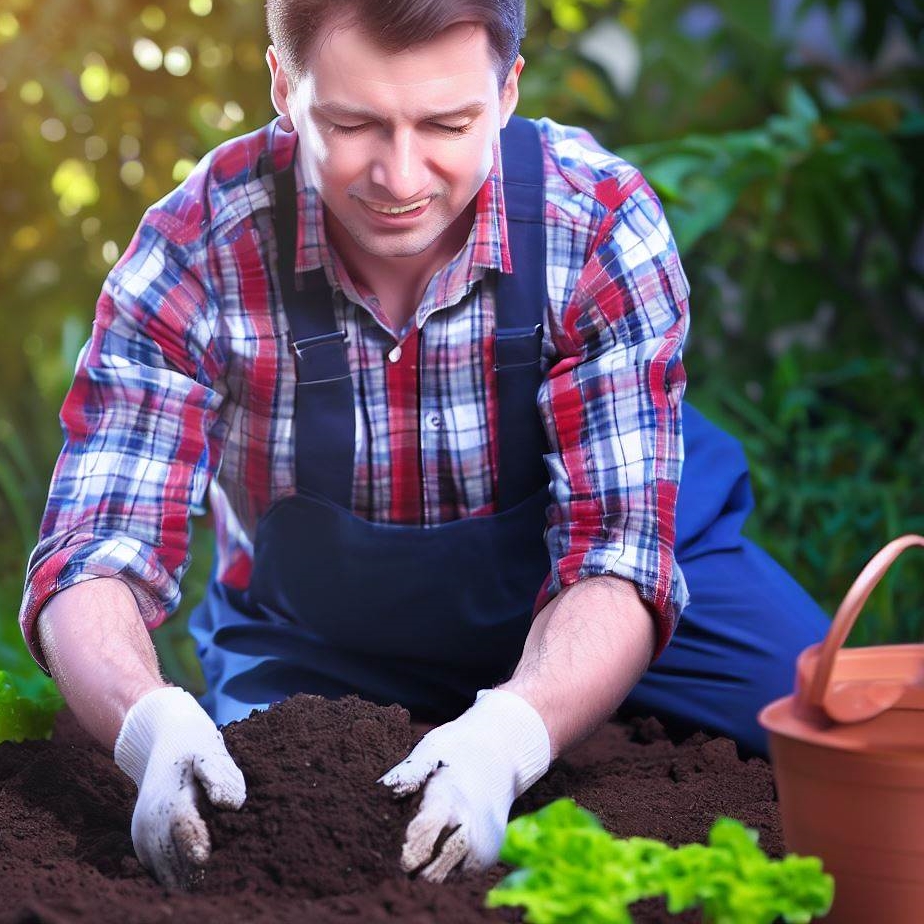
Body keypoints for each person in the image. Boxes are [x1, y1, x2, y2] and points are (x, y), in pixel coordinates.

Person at [20, 0, 830, 893]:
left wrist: (509, 736)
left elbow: (619, 551)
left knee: (830, 735)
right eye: (353, 123)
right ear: (286, 88)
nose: (399, 176)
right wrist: (148, 726)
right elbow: (94, 551)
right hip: (325, 636)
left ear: (508, 90)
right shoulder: (198, 246)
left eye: (447, 124)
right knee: (267, 840)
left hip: (636, 582)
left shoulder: (594, 220)